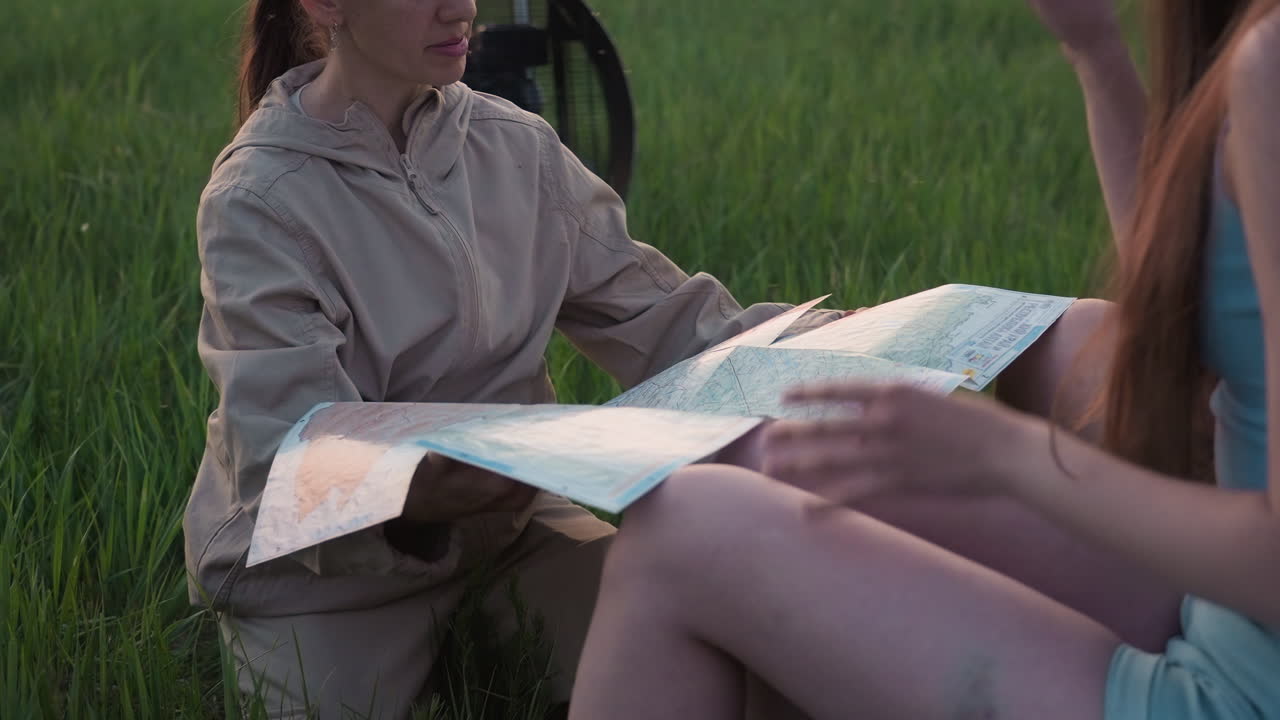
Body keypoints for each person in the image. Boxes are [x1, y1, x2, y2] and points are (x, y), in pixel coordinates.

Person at [568, 0, 1280, 718]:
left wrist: (1008, 455)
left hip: (1235, 684)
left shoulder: (1270, 64)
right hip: (1225, 615)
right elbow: (1196, 323)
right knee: (773, 455)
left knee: (683, 530)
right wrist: (1095, 52)